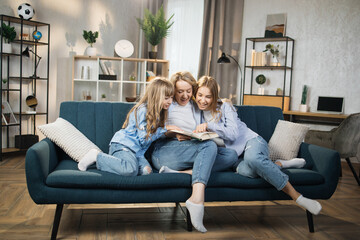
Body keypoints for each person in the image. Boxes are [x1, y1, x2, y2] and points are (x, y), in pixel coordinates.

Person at [193, 75, 322, 216]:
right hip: (234, 157)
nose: (203, 100)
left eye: (208, 96)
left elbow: (233, 134)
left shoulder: (224, 107)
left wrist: (209, 126)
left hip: (252, 142)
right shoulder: (195, 112)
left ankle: (298, 197)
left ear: (214, 97)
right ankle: (281, 164)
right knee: (248, 171)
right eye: (200, 95)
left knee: (254, 160)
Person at [151, 71, 237, 233]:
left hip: (190, 150)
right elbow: (151, 128)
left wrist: (222, 102)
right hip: (165, 151)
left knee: (231, 155)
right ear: (173, 90)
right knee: (210, 147)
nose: (184, 96)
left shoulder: (195, 106)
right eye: (180, 91)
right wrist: (171, 131)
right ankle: (197, 199)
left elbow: (210, 101)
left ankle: (180, 173)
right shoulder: (167, 103)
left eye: (188, 91)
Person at [77, 77, 175, 176]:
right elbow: (143, 139)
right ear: (156, 96)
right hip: (123, 146)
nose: (170, 101)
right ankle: (96, 156)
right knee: (130, 170)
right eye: (166, 98)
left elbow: (154, 135)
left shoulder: (159, 114)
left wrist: (170, 133)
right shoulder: (142, 110)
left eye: (171, 97)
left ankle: (125, 164)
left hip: (138, 153)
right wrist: (166, 129)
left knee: (147, 172)